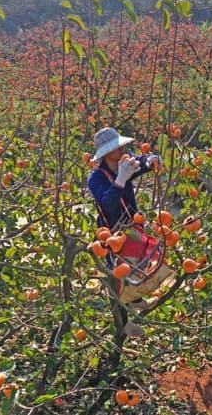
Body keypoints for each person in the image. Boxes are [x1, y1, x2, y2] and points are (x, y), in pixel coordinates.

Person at [88, 127, 160, 337]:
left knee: (138, 265)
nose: (121, 149)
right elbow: (108, 204)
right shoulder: (96, 178)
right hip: (110, 233)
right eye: (116, 147)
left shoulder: (125, 163)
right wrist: (120, 180)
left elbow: (144, 159)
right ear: (105, 153)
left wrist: (151, 160)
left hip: (130, 225)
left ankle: (136, 300)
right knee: (118, 277)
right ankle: (124, 324)